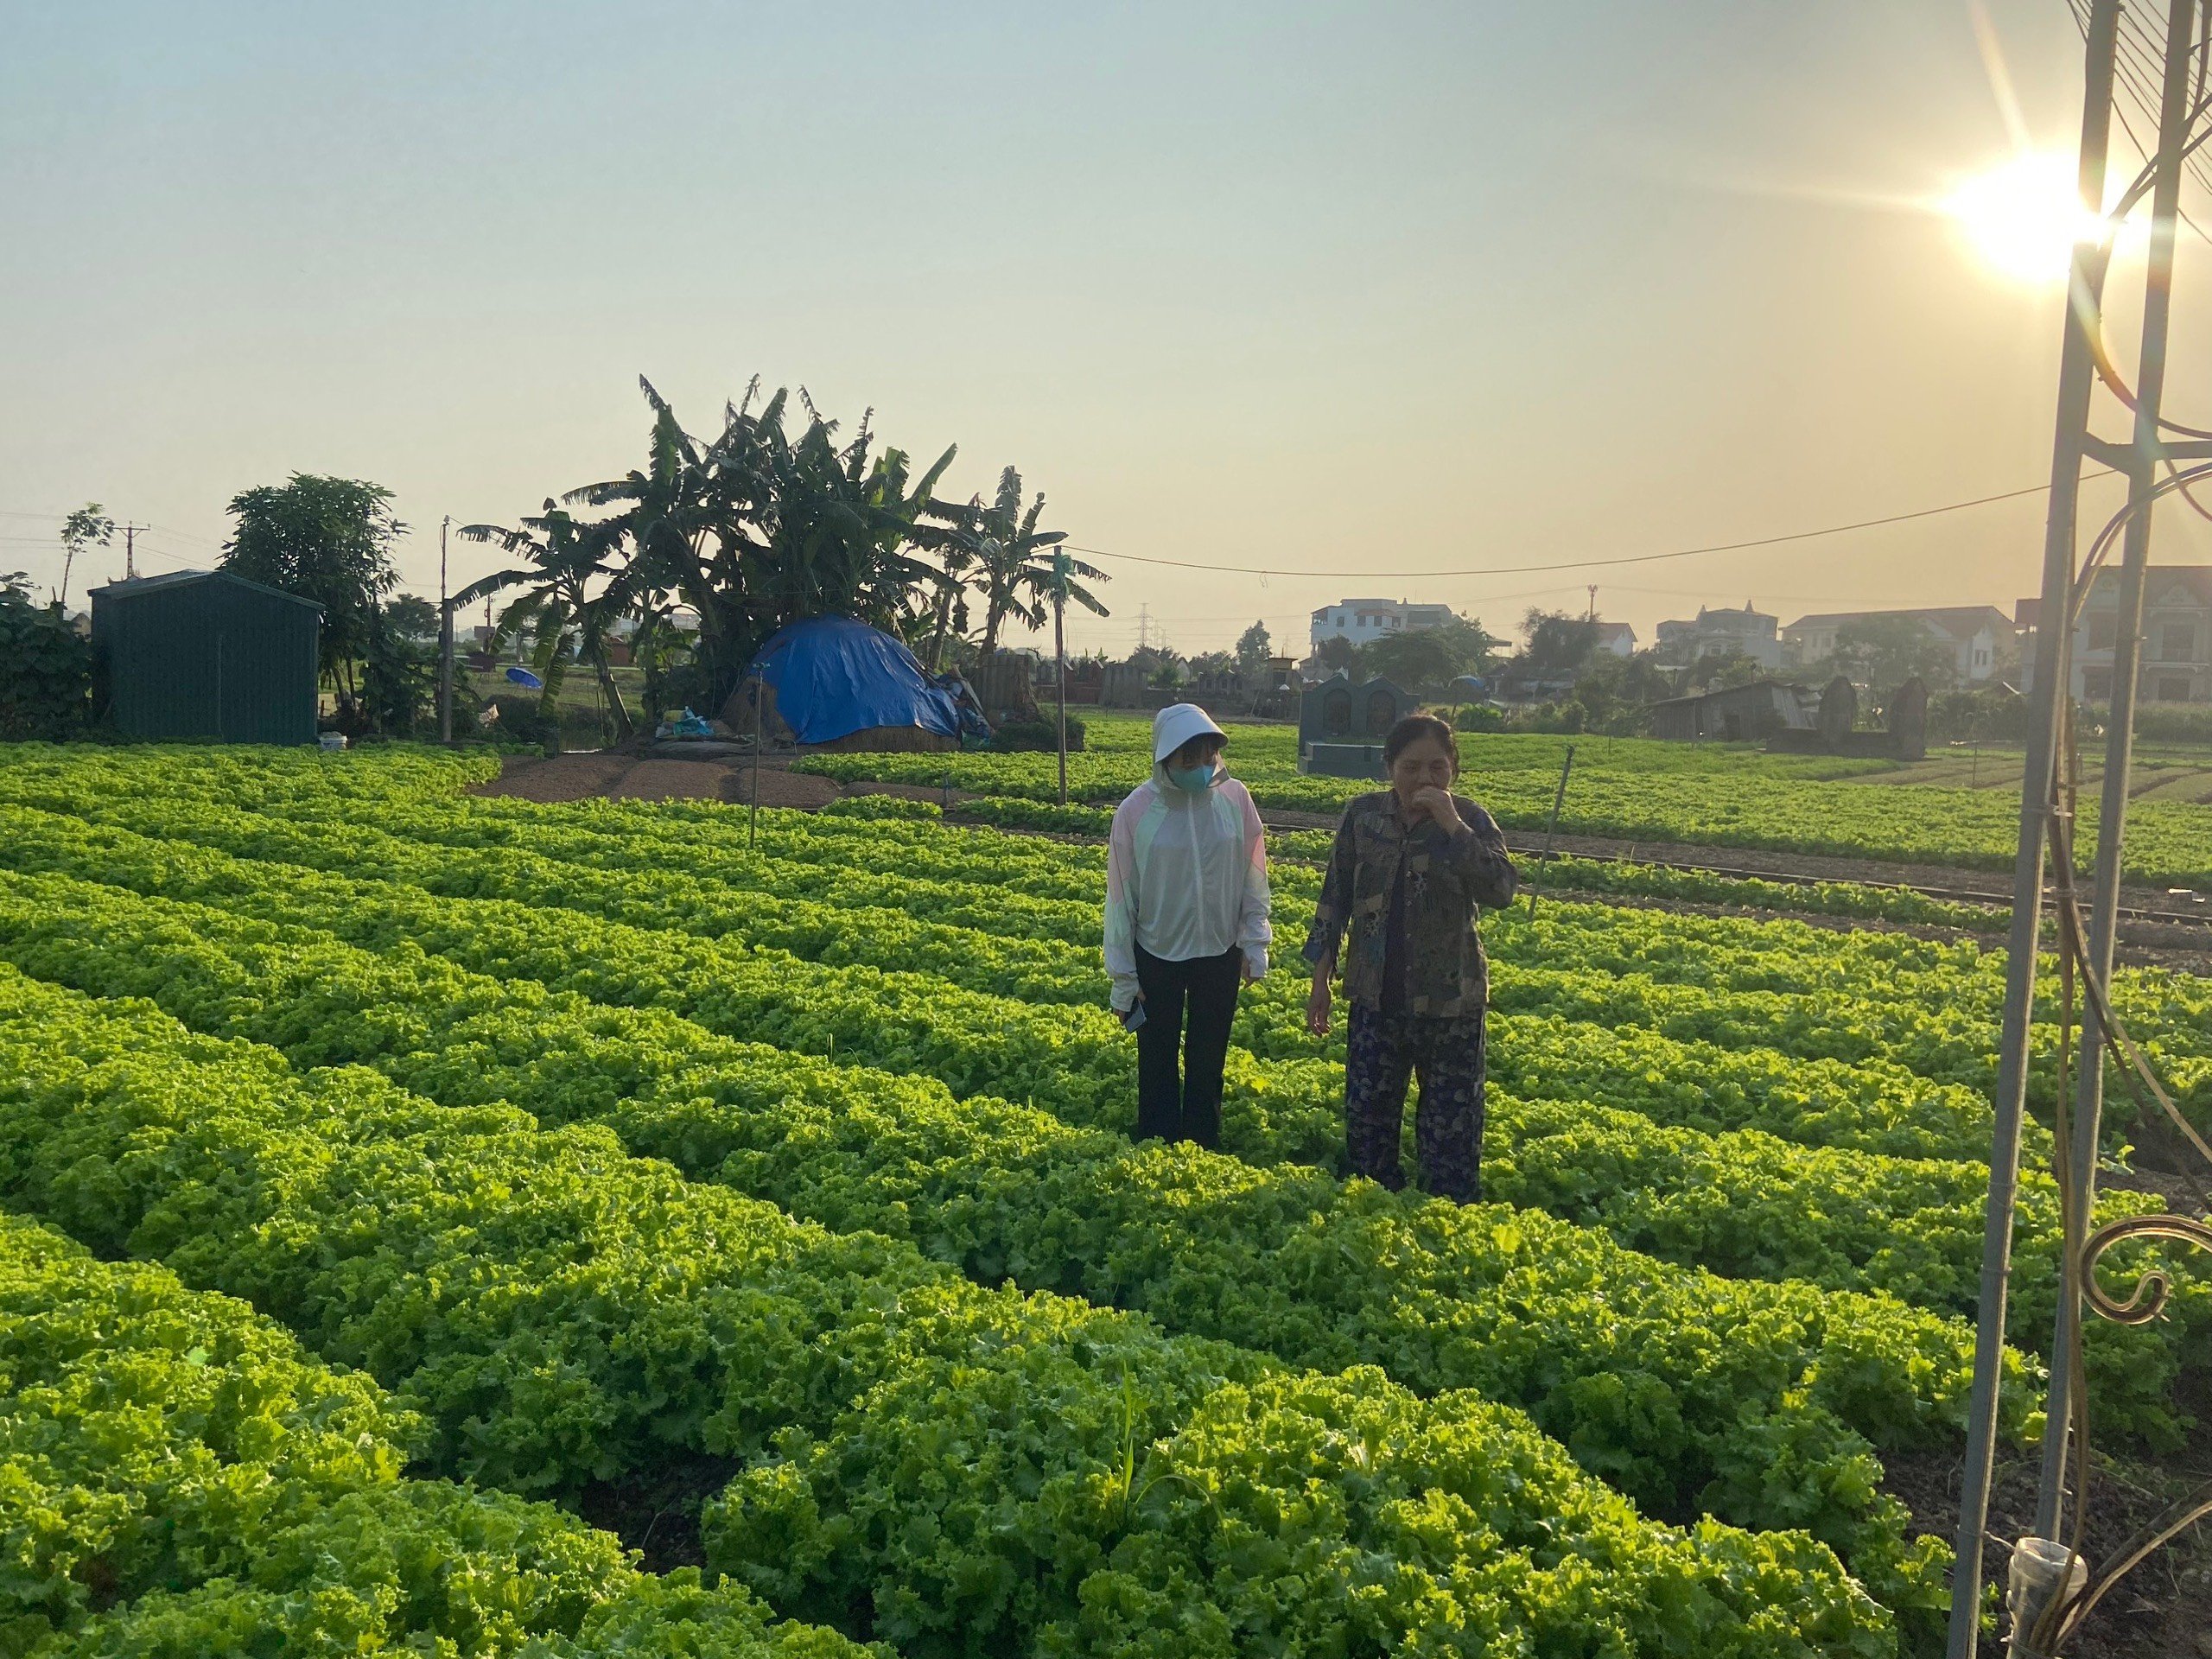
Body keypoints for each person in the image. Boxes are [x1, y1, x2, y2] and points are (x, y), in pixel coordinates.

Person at [1302, 711, 1516, 1201]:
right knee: (1368, 1129)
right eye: (1411, 767)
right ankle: (1373, 1222)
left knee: (1451, 1138)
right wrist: (1321, 979)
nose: (1425, 779)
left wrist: (1453, 826)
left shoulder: (1471, 821)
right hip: (1376, 999)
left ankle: (1445, 1230)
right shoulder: (1363, 817)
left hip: (1451, 1004)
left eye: (1437, 768)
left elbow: (1502, 890)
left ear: (1454, 770)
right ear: (1389, 767)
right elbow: (1334, 898)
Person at [1103, 703, 1272, 1147]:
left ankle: (1202, 1143)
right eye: (1187, 759)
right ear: (1164, 759)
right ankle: (1157, 1144)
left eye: (1207, 757)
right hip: (1157, 954)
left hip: (1219, 952)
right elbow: (1121, 897)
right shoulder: (1136, 812)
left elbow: (1253, 872)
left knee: (1208, 1056)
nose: (1199, 768)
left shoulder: (1235, 800)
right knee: (1156, 1058)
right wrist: (1124, 978)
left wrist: (1255, 941)